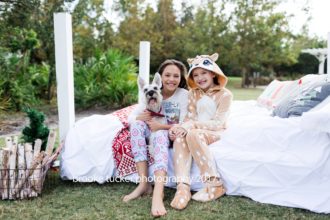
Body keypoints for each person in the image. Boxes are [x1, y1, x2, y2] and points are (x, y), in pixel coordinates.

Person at [123, 59, 189, 217]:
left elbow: (184, 122)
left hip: (168, 132)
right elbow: (130, 118)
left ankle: (158, 193)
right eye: (167, 75)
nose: (171, 79)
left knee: (159, 135)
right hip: (149, 129)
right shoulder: (148, 99)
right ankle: (143, 183)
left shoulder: (183, 95)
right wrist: (140, 117)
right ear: (161, 78)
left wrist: (161, 127)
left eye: (176, 76)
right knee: (137, 125)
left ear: (181, 78)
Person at [169, 53, 233, 210]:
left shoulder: (225, 94)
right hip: (195, 129)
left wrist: (190, 126)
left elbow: (218, 123)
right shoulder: (193, 93)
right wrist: (178, 128)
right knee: (180, 137)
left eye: (204, 73)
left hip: (216, 132)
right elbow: (190, 117)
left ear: (212, 73)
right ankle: (183, 188)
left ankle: (214, 184)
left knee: (192, 133)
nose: (200, 78)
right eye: (195, 75)